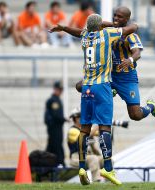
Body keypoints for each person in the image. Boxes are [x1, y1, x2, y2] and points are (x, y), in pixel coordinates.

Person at [49, 14, 138, 185]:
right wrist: (114, 24)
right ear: (100, 27)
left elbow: (77, 32)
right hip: (102, 86)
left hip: (87, 87)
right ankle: (109, 169)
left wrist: (63, 28)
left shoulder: (85, 36)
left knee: (85, 129)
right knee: (105, 128)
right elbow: (132, 28)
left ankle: (82, 167)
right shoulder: (107, 34)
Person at [76, 7, 155, 122]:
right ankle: (109, 90)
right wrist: (115, 24)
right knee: (80, 86)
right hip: (108, 75)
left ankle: (151, 106)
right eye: (115, 15)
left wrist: (130, 60)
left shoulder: (131, 36)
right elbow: (96, 25)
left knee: (135, 115)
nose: (116, 17)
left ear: (127, 19)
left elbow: (137, 53)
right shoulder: (107, 32)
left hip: (127, 78)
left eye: (119, 16)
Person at [67, 107, 102, 182]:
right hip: (76, 158)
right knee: (93, 158)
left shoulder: (86, 129)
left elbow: (100, 133)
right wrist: (97, 123)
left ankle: (109, 182)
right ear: (75, 118)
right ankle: (97, 181)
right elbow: (86, 135)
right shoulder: (72, 130)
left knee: (107, 159)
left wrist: (106, 125)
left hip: (88, 157)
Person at [44, 81, 68, 167]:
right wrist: (64, 119)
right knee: (56, 144)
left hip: (57, 126)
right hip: (54, 127)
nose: (60, 91)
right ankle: (60, 162)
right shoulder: (54, 100)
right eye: (58, 89)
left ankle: (47, 162)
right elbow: (56, 115)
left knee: (52, 145)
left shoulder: (56, 100)